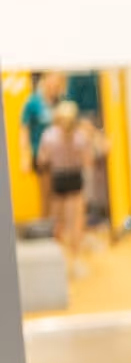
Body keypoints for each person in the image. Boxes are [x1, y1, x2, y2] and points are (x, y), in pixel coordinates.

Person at [34, 99, 91, 279]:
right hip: (74, 178)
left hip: (59, 179)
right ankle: (74, 260)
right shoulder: (81, 137)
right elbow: (87, 161)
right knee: (75, 222)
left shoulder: (49, 135)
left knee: (59, 222)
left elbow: (42, 161)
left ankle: (61, 261)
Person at [20, 70, 64, 212]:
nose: (56, 86)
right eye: (54, 82)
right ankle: (48, 226)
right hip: (41, 154)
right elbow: (24, 129)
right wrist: (24, 155)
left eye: (58, 83)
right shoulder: (33, 102)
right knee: (47, 192)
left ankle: (59, 226)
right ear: (45, 81)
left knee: (60, 194)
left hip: (61, 154)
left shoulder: (59, 101)